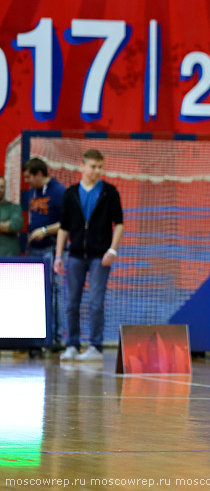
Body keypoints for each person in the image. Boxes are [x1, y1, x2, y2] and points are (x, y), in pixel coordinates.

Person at [54, 150, 124, 362]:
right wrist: (59, 256)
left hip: (99, 255)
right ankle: (72, 345)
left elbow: (119, 223)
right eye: (93, 166)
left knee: (95, 302)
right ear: (82, 166)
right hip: (75, 254)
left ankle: (95, 346)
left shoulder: (109, 192)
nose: (97, 171)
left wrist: (112, 249)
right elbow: (63, 227)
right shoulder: (71, 193)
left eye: (100, 167)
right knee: (71, 303)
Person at [23, 158, 67, 348]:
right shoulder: (34, 192)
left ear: (39, 174)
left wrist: (45, 231)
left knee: (54, 291)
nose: (27, 181)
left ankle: (56, 337)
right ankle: (38, 335)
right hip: (35, 250)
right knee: (36, 294)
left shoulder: (58, 192)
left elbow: (67, 223)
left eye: (29, 177)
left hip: (51, 249)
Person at [0, 176, 23, 257]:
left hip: (10, 256)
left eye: (2, 187)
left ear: (5, 188)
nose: (0, 189)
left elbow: (16, 225)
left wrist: (10, 226)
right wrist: (5, 226)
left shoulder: (14, 207)